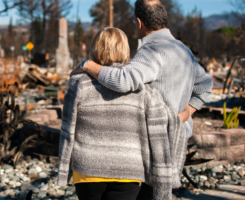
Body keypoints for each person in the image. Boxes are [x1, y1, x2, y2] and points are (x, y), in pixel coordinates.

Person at [71, 1, 213, 198]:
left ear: (139, 22)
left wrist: (87, 65)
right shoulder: (183, 50)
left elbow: (122, 80)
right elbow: (205, 85)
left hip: (154, 142)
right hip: (177, 137)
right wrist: (186, 113)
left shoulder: (151, 51)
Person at [57, 27, 187, 200]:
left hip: (87, 168)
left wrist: (64, 168)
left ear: (94, 49)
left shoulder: (78, 82)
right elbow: (161, 124)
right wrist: (188, 111)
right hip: (129, 170)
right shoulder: (143, 87)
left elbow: (68, 128)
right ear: (125, 49)